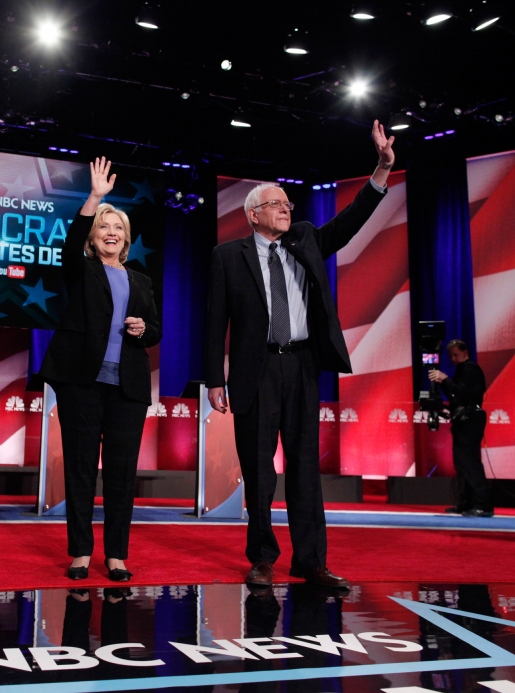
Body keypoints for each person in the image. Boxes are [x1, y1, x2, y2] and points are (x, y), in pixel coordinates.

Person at [204, 121, 394, 590]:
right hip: (256, 370)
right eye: (276, 203)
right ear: (253, 214)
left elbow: (350, 223)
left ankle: (311, 560)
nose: (287, 208)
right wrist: (213, 378)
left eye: (289, 203)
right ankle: (263, 558)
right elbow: (214, 321)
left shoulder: (306, 239)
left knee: (305, 469)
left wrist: (381, 170)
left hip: (302, 365)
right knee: (260, 471)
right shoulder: (228, 257)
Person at [38, 157, 161, 582]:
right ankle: (80, 552)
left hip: (127, 386)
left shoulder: (141, 280)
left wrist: (145, 329)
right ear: (94, 237)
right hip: (82, 383)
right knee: (80, 468)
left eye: (119, 229)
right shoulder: (82, 268)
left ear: (126, 240)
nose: (111, 233)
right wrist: (95, 198)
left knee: (122, 473)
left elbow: (156, 329)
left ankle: (117, 555)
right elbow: (69, 246)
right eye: (104, 228)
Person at [428, 339, 492, 517]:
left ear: (465, 352)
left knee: (470, 462)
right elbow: (455, 396)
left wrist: (445, 379)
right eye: (451, 356)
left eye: (456, 355)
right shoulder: (461, 370)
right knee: (461, 463)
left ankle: (483, 504)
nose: (454, 359)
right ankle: (467, 502)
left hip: (471, 420)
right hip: (463, 420)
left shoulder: (470, 369)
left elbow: (464, 394)